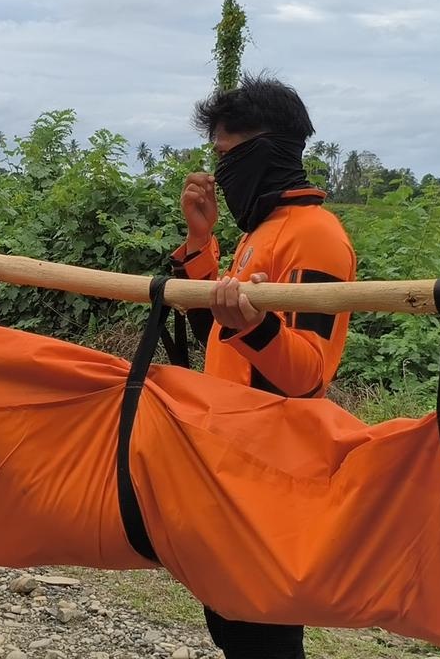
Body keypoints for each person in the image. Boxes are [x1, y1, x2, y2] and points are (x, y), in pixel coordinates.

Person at [171, 74, 357, 659]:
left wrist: (254, 325)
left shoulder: (315, 237)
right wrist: (200, 242)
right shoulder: (262, 232)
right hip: (231, 449)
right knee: (230, 621)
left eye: (230, 156)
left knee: (262, 633)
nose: (222, 173)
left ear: (270, 150)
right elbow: (216, 334)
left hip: (271, 463)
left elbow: (307, 375)